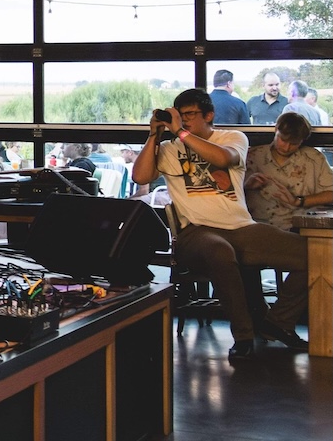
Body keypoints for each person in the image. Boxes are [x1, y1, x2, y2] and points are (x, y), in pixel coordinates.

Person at [132, 89, 308, 362]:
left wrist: (181, 132)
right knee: (219, 251)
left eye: (190, 115)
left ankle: (278, 322)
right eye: (181, 116)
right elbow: (140, 175)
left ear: (209, 115)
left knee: (317, 255)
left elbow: (224, 159)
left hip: (241, 228)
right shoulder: (169, 149)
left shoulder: (233, 138)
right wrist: (154, 135)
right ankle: (243, 336)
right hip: (196, 231)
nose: (185, 121)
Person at [245, 112, 333, 232]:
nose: (286, 147)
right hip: (258, 227)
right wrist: (246, 186)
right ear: (276, 129)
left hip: (300, 227)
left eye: (294, 143)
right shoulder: (252, 157)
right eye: (283, 140)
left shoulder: (314, 159)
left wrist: (299, 201)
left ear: (302, 141)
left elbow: (330, 194)